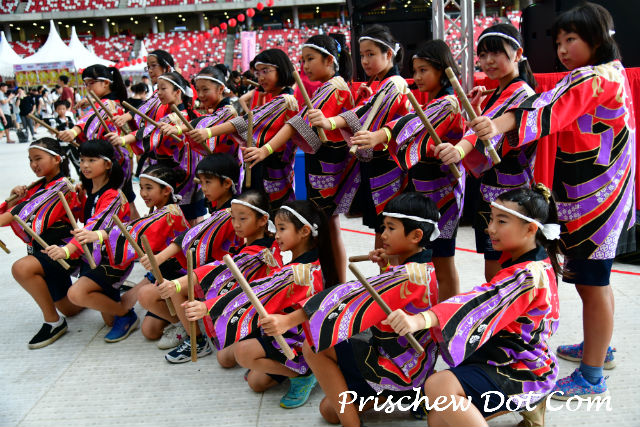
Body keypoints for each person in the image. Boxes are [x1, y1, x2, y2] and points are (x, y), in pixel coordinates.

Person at [468, 2, 634, 399]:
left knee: (593, 282)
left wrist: (495, 124)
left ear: (597, 39)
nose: (562, 50)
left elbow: (543, 110)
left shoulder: (595, 78)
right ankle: (598, 347)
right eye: (558, 42)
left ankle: (592, 375)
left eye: (571, 39)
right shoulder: (602, 74)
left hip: (596, 198)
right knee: (591, 281)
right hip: (589, 192)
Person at [385, 185, 561, 427]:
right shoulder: (537, 260)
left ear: (530, 229)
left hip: (523, 368)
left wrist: (421, 319)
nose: (491, 228)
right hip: (512, 357)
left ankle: (531, 400)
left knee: (438, 386)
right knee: (439, 419)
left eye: (501, 221)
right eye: (491, 219)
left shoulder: (527, 275)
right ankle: (531, 406)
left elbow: (480, 301)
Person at [260, 192, 441, 426]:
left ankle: (359, 420)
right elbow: (394, 299)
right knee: (329, 410)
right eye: (384, 227)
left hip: (399, 366)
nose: (383, 235)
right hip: (411, 360)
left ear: (416, 235)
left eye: (391, 228)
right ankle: (412, 396)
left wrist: (289, 320)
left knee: (313, 347)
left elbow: (350, 297)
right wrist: (386, 265)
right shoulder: (422, 267)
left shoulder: (409, 276)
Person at [352, 40, 465, 301]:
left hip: (443, 193)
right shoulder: (434, 100)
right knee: (425, 257)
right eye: (415, 71)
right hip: (425, 189)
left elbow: (413, 124)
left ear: (442, 70)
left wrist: (379, 135)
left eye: (423, 70)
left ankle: (448, 314)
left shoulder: (448, 103)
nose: (417, 77)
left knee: (442, 259)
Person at [196, 200, 338, 408]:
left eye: (282, 229)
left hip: (297, 340)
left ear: (304, 231)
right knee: (255, 382)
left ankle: (304, 373)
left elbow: (259, 292)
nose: (276, 235)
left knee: (243, 353)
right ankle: (296, 369)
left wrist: (208, 306)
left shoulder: (299, 273)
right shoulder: (307, 262)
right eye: (276, 228)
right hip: (289, 333)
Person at [243, 34, 355, 283]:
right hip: (323, 164)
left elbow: (296, 124)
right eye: (302, 60)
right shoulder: (332, 86)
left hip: (326, 166)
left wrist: (265, 149)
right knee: (328, 229)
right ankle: (334, 283)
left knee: (326, 229)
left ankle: (334, 284)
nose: (304, 66)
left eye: (310, 59)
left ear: (329, 60)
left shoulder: (333, 87)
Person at [435, 23, 538, 283]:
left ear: (518, 54)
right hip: (492, 192)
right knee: (494, 263)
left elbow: (487, 132)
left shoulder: (520, 92)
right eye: (482, 55)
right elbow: (487, 131)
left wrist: (458, 150)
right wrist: (477, 111)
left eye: (496, 53)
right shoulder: (499, 91)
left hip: (512, 194)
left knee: (505, 266)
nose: (488, 60)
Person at [157, 189, 282, 364]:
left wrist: (177, 284)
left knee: (225, 359)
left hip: (255, 312)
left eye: (243, 219)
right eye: (233, 218)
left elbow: (221, 269)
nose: (236, 224)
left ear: (263, 220)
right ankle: (197, 341)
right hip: (244, 301)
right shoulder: (257, 240)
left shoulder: (259, 252)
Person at [138, 153, 242, 360]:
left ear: (227, 183)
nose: (203, 188)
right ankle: (188, 327)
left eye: (208, 182)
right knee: (148, 302)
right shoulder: (221, 207)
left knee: (175, 287)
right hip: (210, 271)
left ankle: (198, 341)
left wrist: (159, 258)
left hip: (227, 275)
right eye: (201, 182)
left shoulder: (229, 211)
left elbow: (193, 236)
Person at [43, 139, 133, 342]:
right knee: (107, 319)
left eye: (92, 160)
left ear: (107, 164)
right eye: (82, 160)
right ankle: (113, 299)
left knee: (77, 294)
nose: (85, 165)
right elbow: (79, 216)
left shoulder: (113, 196)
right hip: (91, 255)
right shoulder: (87, 190)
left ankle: (126, 312)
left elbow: (94, 226)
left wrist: (67, 250)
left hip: (112, 259)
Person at [1, 138, 83, 348]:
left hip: (62, 252)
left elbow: (21, 212)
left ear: (56, 159)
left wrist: (17, 203)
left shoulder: (62, 186)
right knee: (70, 308)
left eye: (38, 158)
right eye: (30, 160)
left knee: (21, 268)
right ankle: (94, 289)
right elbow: (13, 209)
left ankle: (53, 322)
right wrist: (14, 196)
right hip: (44, 252)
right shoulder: (38, 186)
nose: (33, 164)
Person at [195, 49, 299, 209]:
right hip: (268, 165)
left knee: (271, 211)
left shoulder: (285, 100)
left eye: (265, 71)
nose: (260, 77)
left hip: (273, 167)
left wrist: (208, 132)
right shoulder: (275, 97)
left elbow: (246, 122)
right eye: (258, 72)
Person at [102, 165, 190, 344]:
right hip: (164, 278)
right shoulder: (158, 210)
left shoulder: (170, 213)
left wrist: (100, 235)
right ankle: (180, 321)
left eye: (149, 188)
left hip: (181, 280)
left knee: (144, 295)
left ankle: (188, 327)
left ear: (166, 190)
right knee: (150, 331)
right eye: (141, 187)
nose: (143, 193)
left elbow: (139, 229)